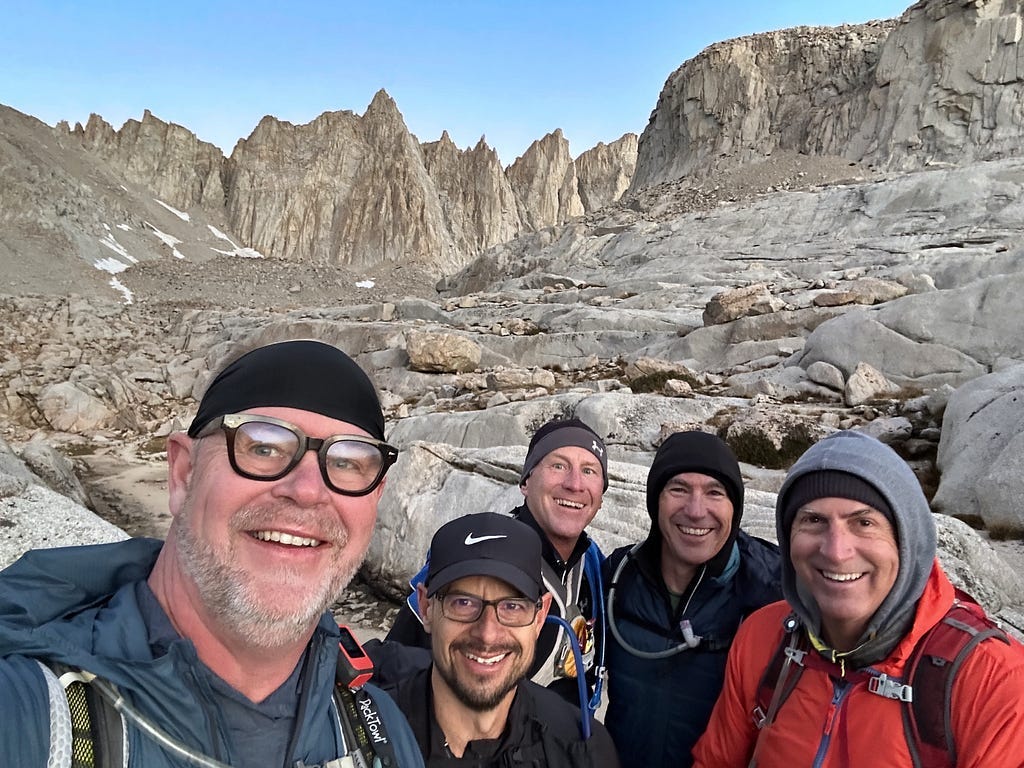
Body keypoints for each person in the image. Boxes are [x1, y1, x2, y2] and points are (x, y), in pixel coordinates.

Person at [0, 339, 425, 768]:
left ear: (376, 497)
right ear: (183, 473)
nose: (308, 491)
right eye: (263, 447)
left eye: (349, 462)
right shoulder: (29, 714)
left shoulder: (378, 734)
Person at [692, 430, 1024, 767]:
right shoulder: (764, 637)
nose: (836, 551)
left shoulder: (991, 678)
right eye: (814, 520)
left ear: (906, 539)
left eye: (864, 522)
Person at [373, 418, 609, 711]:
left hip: (565, 747)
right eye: (558, 465)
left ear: (601, 494)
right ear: (525, 482)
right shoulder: (477, 551)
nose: (574, 484)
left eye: (589, 471)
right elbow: (398, 666)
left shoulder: (593, 564)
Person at [383, 511, 620, 768]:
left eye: (512, 607)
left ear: (539, 617)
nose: (487, 634)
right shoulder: (360, 728)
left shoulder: (581, 751)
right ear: (425, 607)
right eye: (463, 603)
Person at [602, 430, 781, 768]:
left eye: (715, 492)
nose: (696, 511)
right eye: (679, 489)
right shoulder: (618, 575)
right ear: (656, 500)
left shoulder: (772, 592)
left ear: (735, 507)